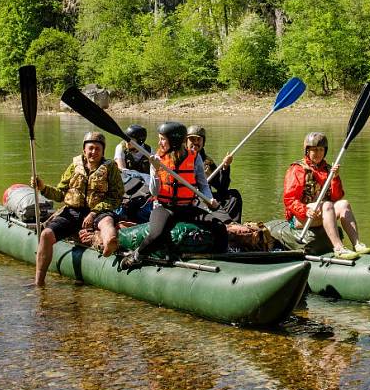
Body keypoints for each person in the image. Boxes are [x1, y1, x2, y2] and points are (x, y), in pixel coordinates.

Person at [120, 121, 228, 267]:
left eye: (163, 139)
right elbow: (154, 191)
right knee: (157, 235)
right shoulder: (157, 158)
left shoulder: (195, 157)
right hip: (164, 207)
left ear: (175, 140)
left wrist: (209, 199)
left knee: (220, 228)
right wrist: (156, 171)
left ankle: (222, 258)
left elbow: (203, 185)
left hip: (187, 207)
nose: (159, 142)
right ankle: (137, 255)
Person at [33, 131, 124, 286]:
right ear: (84, 150)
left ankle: (109, 242)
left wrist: (95, 212)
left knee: (107, 222)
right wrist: (42, 187)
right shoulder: (74, 166)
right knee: (46, 234)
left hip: (100, 211)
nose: (94, 152)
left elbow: (116, 197)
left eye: (97, 149)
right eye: (91, 148)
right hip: (73, 212)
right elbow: (60, 194)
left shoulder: (111, 168)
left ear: (103, 151)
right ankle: (39, 282)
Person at [282, 131, 370, 260]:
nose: (318, 153)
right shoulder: (297, 169)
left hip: (323, 212)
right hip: (301, 217)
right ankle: (339, 248)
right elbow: (289, 199)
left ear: (325, 151)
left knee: (344, 204)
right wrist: (305, 210)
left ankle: (357, 244)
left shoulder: (328, 170)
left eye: (321, 149)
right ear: (307, 151)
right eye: (314, 150)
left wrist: (334, 178)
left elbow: (336, 197)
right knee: (328, 205)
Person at [185, 125, 243, 223]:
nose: (195, 143)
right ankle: (222, 221)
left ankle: (233, 226)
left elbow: (222, 188)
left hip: (206, 197)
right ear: (185, 142)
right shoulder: (180, 158)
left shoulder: (207, 162)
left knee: (234, 195)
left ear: (203, 142)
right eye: (192, 139)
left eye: (198, 140)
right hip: (188, 199)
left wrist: (225, 167)